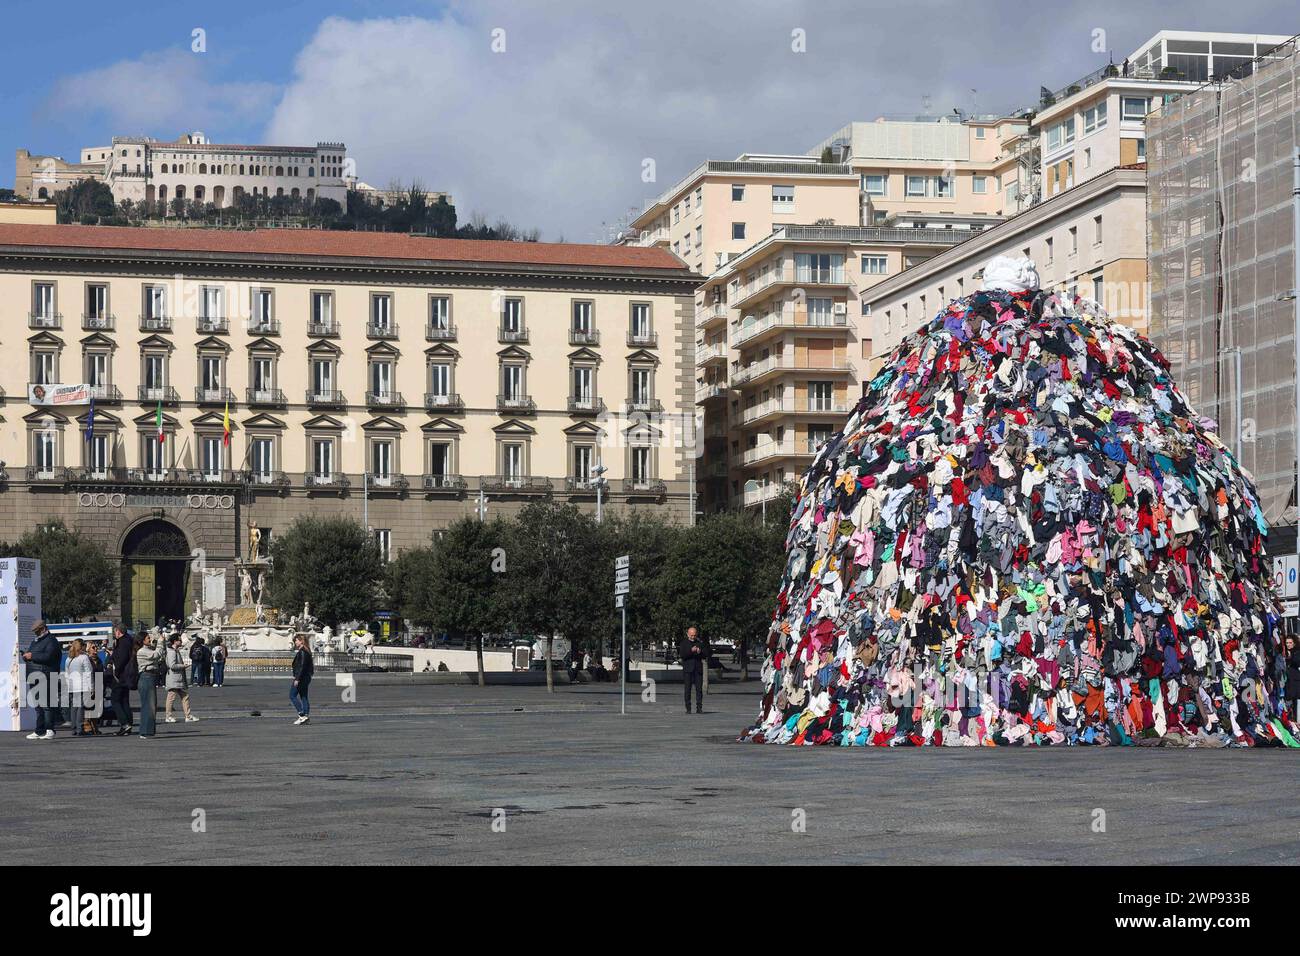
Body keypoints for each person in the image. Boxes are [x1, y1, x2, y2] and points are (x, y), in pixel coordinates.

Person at [22, 621, 61, 740]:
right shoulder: (35, 641)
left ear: (43, 628)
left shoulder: (51, 641)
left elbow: (48, 656)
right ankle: (39, 730)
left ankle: (50, 729)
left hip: (47, 676)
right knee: (38, 705)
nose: (36, 633)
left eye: (37, 631)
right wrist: (26, 656)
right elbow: (32, 654)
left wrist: (32, 656)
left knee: (47, 704)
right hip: (35, 675)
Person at [64, 640, 97, 737]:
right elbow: (88, 673)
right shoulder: (84, 658)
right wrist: (92, 687)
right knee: (80, 708)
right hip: (82, 686)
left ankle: (74, 728)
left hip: (72, 686)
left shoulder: (68, 659)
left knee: (74, 708)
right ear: (81, 646)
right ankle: (80, 728)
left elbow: (66, 674)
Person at [165, 634, 199, 724]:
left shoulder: (175, 651)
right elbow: (172, 665)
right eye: (179, 640)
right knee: (171, 697)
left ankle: (188, 716)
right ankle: (168, 716)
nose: (181, 641)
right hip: (174, 678)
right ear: (175, 641)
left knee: (184, 696)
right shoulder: (171, 652)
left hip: (178, 678)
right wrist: (183, 666)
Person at [136, 633, 164, 739]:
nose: (150, 639)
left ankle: (148, 730)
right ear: (143, 640)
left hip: (150, 677)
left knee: (151, 705)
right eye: (148, 638)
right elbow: (156, 655)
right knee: (148, 705)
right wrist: (160, 642)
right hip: (146, 677)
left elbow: (159, 654)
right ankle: (144, 731)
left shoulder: (148, 649)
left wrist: (160, 644)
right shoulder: (142, 651)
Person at [109, 623, 136, 735]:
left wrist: (116, 671)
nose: (114, 634)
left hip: (120, 676)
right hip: (127, 675)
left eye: (115, 632)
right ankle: (128, 725)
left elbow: (121, 659)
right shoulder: (129, 640)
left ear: (118, 632)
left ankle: (124, 724)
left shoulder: (122, 642)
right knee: (124, 700)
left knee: (115, 700)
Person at [678, 626, 710, 715]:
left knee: (699, 690)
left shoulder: (700, 643)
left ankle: (699, 708)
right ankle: (688, 708)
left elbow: (706, 654)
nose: (693, 637)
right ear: (688, 634)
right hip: (688, 669)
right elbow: (683, 655)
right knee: (687, 689)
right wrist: (691, 651)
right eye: (691, 635)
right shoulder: (684, 643)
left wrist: (700, 652)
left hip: (698, 669)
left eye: (694, 635)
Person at [291, 634, 313, 725]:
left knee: (292, 695)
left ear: (301, 641)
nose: (295, 642)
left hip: (301, 677)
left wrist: (297, 679)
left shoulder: (303, 652)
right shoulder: (306, 651)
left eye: (296, 640)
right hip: (306, 677)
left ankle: (302, 715)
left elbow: (302, 666)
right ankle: (306, 717)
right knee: (304, 696)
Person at [1286, 633, 1300, 722]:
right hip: (1290, 680)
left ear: (1294, 643)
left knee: (1295, 701)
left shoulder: (1297, 652)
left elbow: (1296, 661)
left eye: (1290, 643)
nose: (1288, 645)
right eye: (1287, 643)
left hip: (1295, 681)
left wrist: (1289, 657)